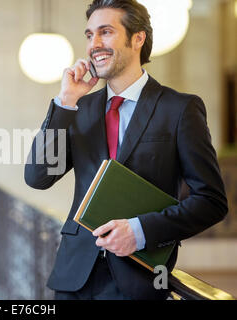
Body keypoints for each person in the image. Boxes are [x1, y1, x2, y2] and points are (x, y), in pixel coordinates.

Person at [24, 0, 228, 300]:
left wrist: (141, 230)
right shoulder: (78, 108)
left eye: (105, 32)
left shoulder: (179, 109)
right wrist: (64, 103)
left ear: (138, 38)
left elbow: (211, 201)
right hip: (73, 278)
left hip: (139, 279)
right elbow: (37, 176)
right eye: (89, 34)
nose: (94, 44)